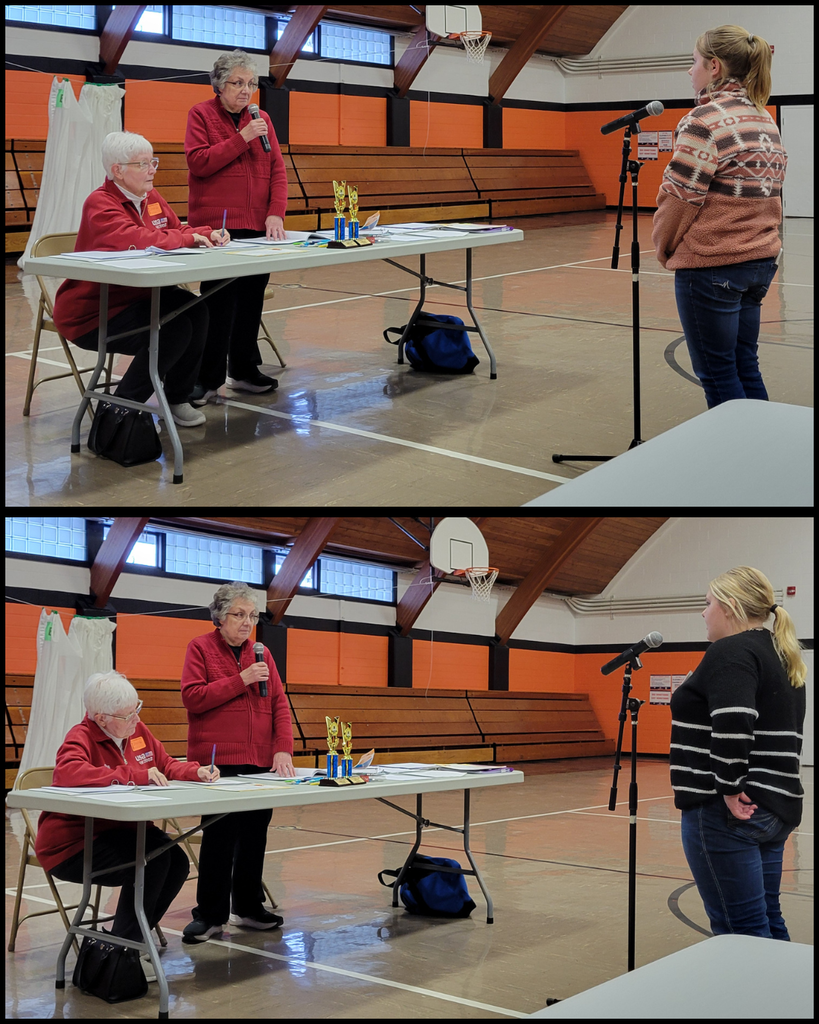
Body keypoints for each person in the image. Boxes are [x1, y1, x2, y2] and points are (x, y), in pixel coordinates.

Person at [52, 131, 229, 428]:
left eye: (153, 162)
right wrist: (187, 238)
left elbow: (176, 229)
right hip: (95, 312)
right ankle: (120, 411)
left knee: (196, 309)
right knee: (174, 330)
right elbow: (136, 239)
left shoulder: (151, 197)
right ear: (118, 170)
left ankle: (177, 398)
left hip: (140, 298)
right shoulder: (99, 202)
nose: (152, 170)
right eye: (143, 164)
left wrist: (206, 233)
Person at [652, 26, 787, 408]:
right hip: (759, 261)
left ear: (714, 67)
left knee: (717, 374)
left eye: (693, 61)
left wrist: (664, 247)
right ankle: (761, 441)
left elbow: (679, 199)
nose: (689, 70)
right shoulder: (764, 118)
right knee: (745, 365)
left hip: (713, 265)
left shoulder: (704, 120)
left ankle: (737, 445)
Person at [669, 566, 807, 938]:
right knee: (767, 919)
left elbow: (734, 719)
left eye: (708, 603)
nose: (703, 612)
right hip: (773, 805)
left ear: (729, 606)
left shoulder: (731, 651)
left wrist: (729, 787)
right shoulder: (780, 652)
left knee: (740, 932)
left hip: (725, 811)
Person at [35, 671, 218, 946]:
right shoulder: (81, 736)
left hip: (125, 832)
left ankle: (130, 940)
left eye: (137, 709)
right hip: (76, 844)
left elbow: (165, 764)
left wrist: (195, 771)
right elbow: (68, 772)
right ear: (101, 719)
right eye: (128, 715)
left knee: (177, 862)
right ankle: (121, 947)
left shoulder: (137, 732)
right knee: (152, 862)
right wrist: (132, 775)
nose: (137, 719)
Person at [180, 582, 295, 943]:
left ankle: (248, 907)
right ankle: (210, 915)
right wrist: (240, 680)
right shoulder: (200, 648)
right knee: (219, 838)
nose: (247, 622)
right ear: (219, 617)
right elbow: (193, 698)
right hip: (218, 763)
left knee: (254, 837)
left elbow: (279, 703)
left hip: (259, 762)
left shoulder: (262, 653)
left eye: (252, 616)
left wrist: (282, 748)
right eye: (239, 614)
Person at [185, 49, 289, 405]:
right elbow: (199, 163)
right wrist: (241, 137)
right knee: (218, 304)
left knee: (250, 301)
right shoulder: (201, 114)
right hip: (219, 229)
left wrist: (275, 212)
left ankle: (243, 370)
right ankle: (207, 378)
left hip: (258, 226)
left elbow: (277, 169)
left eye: (251, 84)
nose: (246, 90)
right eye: (238, 83)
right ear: (219, 84)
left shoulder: (262, 118)